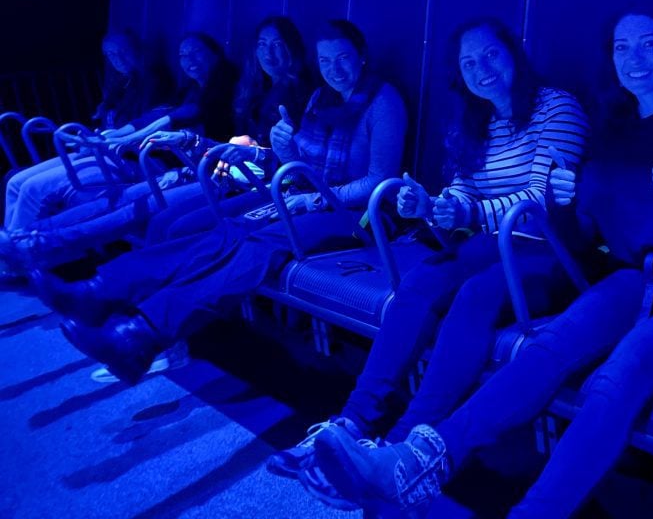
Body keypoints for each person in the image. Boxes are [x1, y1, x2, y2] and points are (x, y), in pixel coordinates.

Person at [300, 0, 653, 518]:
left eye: (648, 43)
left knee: (617, 376)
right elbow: (587, 236)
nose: (632, 57)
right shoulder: (616, 128)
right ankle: (414, 461)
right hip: (633, 279)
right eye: (621, 46)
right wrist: (569, 206)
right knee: (547, 349)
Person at [267, 18, 589, 482]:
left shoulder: (556, 108)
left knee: (475, 295)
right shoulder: (473, 122)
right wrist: (434, 206)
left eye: (491, 55)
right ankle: (350, 423)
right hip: (487, 243)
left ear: (514, 53)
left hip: (546, 250)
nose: (483, 69)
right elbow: (461, 191)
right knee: (419, 282)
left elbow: (539, 203)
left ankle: (401, 443)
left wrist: (466, 215)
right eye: (469, 62)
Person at [52, 20, 407, 384]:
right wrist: (283, 149)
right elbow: (301, 166)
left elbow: (377, 181)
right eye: (326, 61)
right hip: (306, 198)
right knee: (226, 232)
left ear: (362, 56)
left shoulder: (384, 102)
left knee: (258, 244)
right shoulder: (320, 98)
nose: (335, 70)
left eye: (344, 58)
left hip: (360, 216)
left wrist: (312, 197)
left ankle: (141, 335)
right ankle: (101, 293)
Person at [8, 17, 312, 269]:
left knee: (143, 211)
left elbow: (286, 157)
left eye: (277, 45)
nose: (269, 53)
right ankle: (31, 238)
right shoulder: (249, 88)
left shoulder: (283, 90)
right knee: (126, 201)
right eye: (262, 45)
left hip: (241, 179)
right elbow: (172, 117)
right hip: (206, 166)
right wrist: (178, 139)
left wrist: (131, 137)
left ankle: (40, 247)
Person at [2, 33, 237, 235]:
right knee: (15, 181)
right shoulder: (186, 88)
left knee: (35, 189)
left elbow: (172, 118)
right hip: (125, 152)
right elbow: (149, 119)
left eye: (196, 52)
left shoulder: (167, 82)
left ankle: (20, 253)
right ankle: (15, 251)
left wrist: (116, 139)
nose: (189, 60)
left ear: (216, 53)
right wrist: (106, 137)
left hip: (153, 162)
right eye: (183, 55)